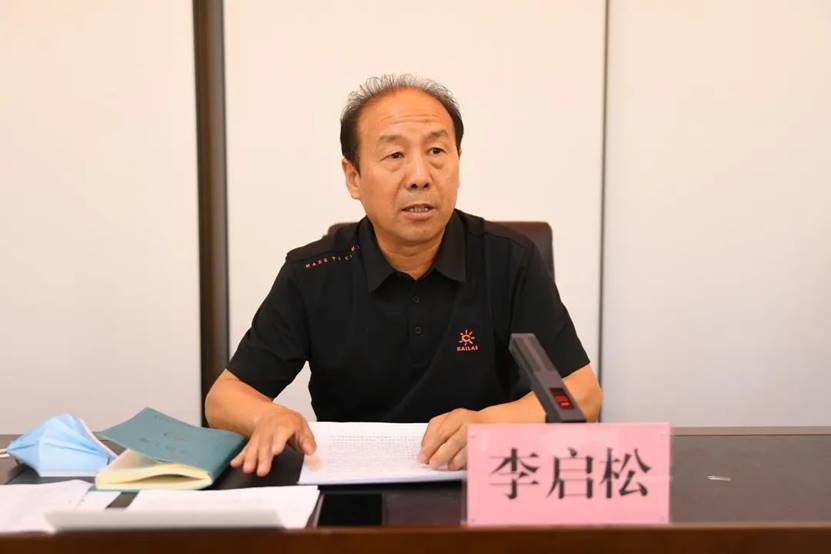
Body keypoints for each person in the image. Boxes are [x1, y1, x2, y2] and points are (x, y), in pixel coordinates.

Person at [205, 74, 602, 477]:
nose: (419, 176)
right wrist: (267, 416)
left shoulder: (509, 261)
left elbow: (580, 395)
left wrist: (490, 424)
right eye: (395, 155)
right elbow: (223, 398)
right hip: (352, 492)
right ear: (353, 177)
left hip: (480, 485)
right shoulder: (313, 274)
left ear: (458, 163)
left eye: (436, 151)